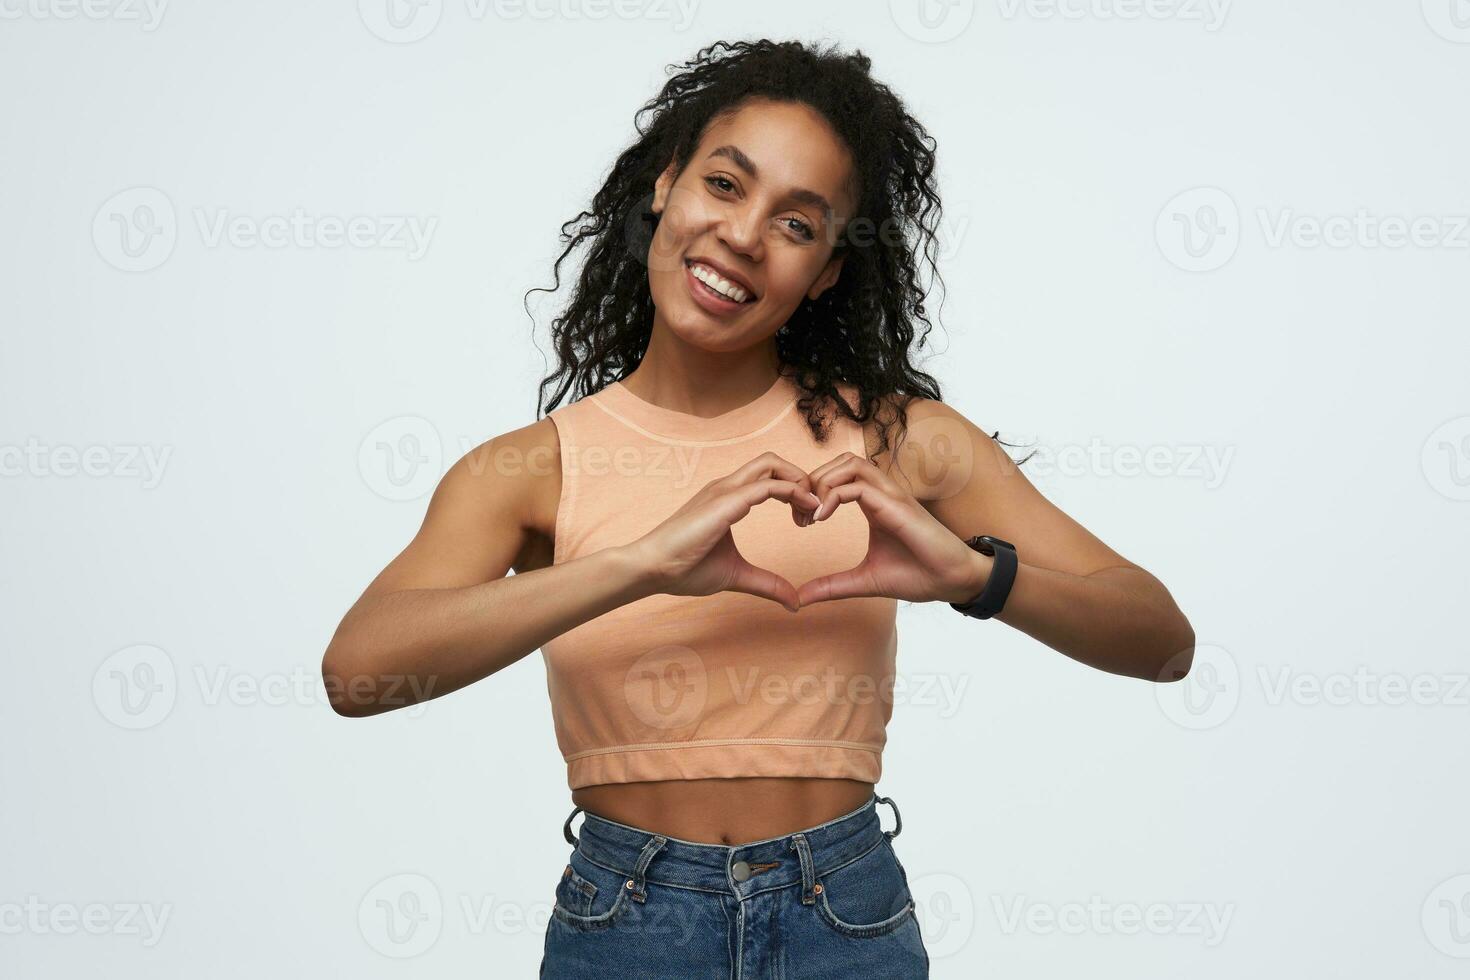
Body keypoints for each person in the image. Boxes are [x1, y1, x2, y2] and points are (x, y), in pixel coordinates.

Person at [321, 38, 1195, 979]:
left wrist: (977, 578)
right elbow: (359, 673)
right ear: (666, 184)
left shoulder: (900, 440)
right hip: (627, 921)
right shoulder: (532, 469)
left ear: (825, 270)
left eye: (797, 223)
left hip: (844, 913)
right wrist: (640, 564)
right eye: (726, 185)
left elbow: (1161, 640)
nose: (742, 235)